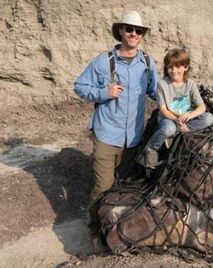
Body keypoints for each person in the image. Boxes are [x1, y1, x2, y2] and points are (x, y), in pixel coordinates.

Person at [74, 10, 158, 252]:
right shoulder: (104, 61)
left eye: (138, 31)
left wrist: (179, 100)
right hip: (106, 136)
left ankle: (116, 228)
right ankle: (93, 228)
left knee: (124, 186)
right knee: (103, 187)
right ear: (121, 31)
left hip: (133, 138)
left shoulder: (147, 63)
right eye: (129, 29)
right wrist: (103, 93)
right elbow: (80, 86)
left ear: (142, 35)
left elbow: (155, 92)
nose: (133, 34)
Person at [138, 48, 213, 168]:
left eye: (178, 67)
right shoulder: (162, 84)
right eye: (170, 67)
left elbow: (201, 107)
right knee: (169, 128)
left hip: (185, 119)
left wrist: (190, 115)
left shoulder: (190, 84)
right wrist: (177, 121)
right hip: (168, 119)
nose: (174, 71)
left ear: (186, 67)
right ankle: (151, 148)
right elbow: (163, 109)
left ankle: (179, 133)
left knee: (208, 118)